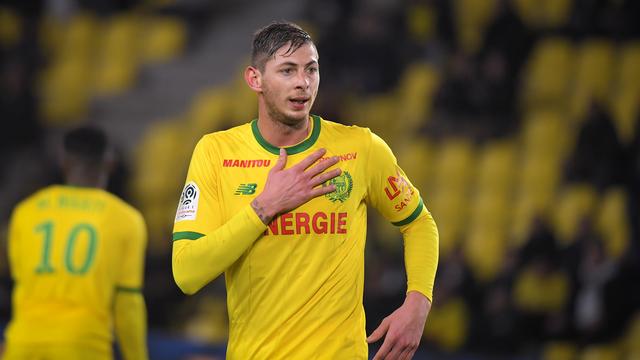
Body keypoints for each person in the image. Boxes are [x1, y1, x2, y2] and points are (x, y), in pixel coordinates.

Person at [172, 21, 439, 359]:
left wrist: (418, 302)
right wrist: (263, 209)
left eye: (311, 70)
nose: (303, 82)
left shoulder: (360, 148)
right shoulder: (216, 152)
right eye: (287, 70)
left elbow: (418, 223)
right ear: (255, 79)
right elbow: (187, 273)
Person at [3, 127, 148, 360]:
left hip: (23, 343)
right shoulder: (126, 219)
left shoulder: (25, 212)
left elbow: (17, 283)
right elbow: (127, 302)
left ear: (64, 162)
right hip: (83, 345)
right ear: (110, 163)